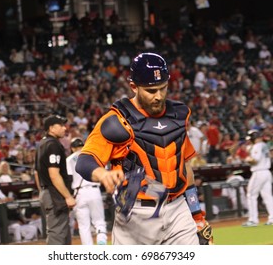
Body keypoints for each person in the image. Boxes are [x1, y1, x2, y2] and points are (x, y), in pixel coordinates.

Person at [76, 52, 212, 245]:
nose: (158, 96)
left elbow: (184, 167)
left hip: (178, 210)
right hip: (136, 214)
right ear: (134, 87)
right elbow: (84, 161)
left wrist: (197, 215)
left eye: (163, 89)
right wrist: (101, 174)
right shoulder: (117, 121)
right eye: (151, 91)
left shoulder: (178, 116)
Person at [34, 114, 76, 245]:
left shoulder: (42, 143)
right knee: (57, 235)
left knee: (63, 235)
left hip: (47, 192)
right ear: (51, 128)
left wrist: (43, 191)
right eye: (61, 125)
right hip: (54, 194)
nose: (65, 128)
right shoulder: (52, 145)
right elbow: (54, 174)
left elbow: (36, 172)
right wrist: (67, 196)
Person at [66, 137, 107, 245]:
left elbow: (68, 179)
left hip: (79, 193)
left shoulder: (69, 159)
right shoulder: (92, 157)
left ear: (72, 148)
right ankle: (102, 246)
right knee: (99, 221)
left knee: (84, 225)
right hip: (94, 191)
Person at [242, 130, 273, 227]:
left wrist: (247, 159)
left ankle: (253, 220)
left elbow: (255, 160)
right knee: (268, 196)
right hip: (267, 172)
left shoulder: (257, 146)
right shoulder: (264, 145)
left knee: (251, 195)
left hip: (259, 172)